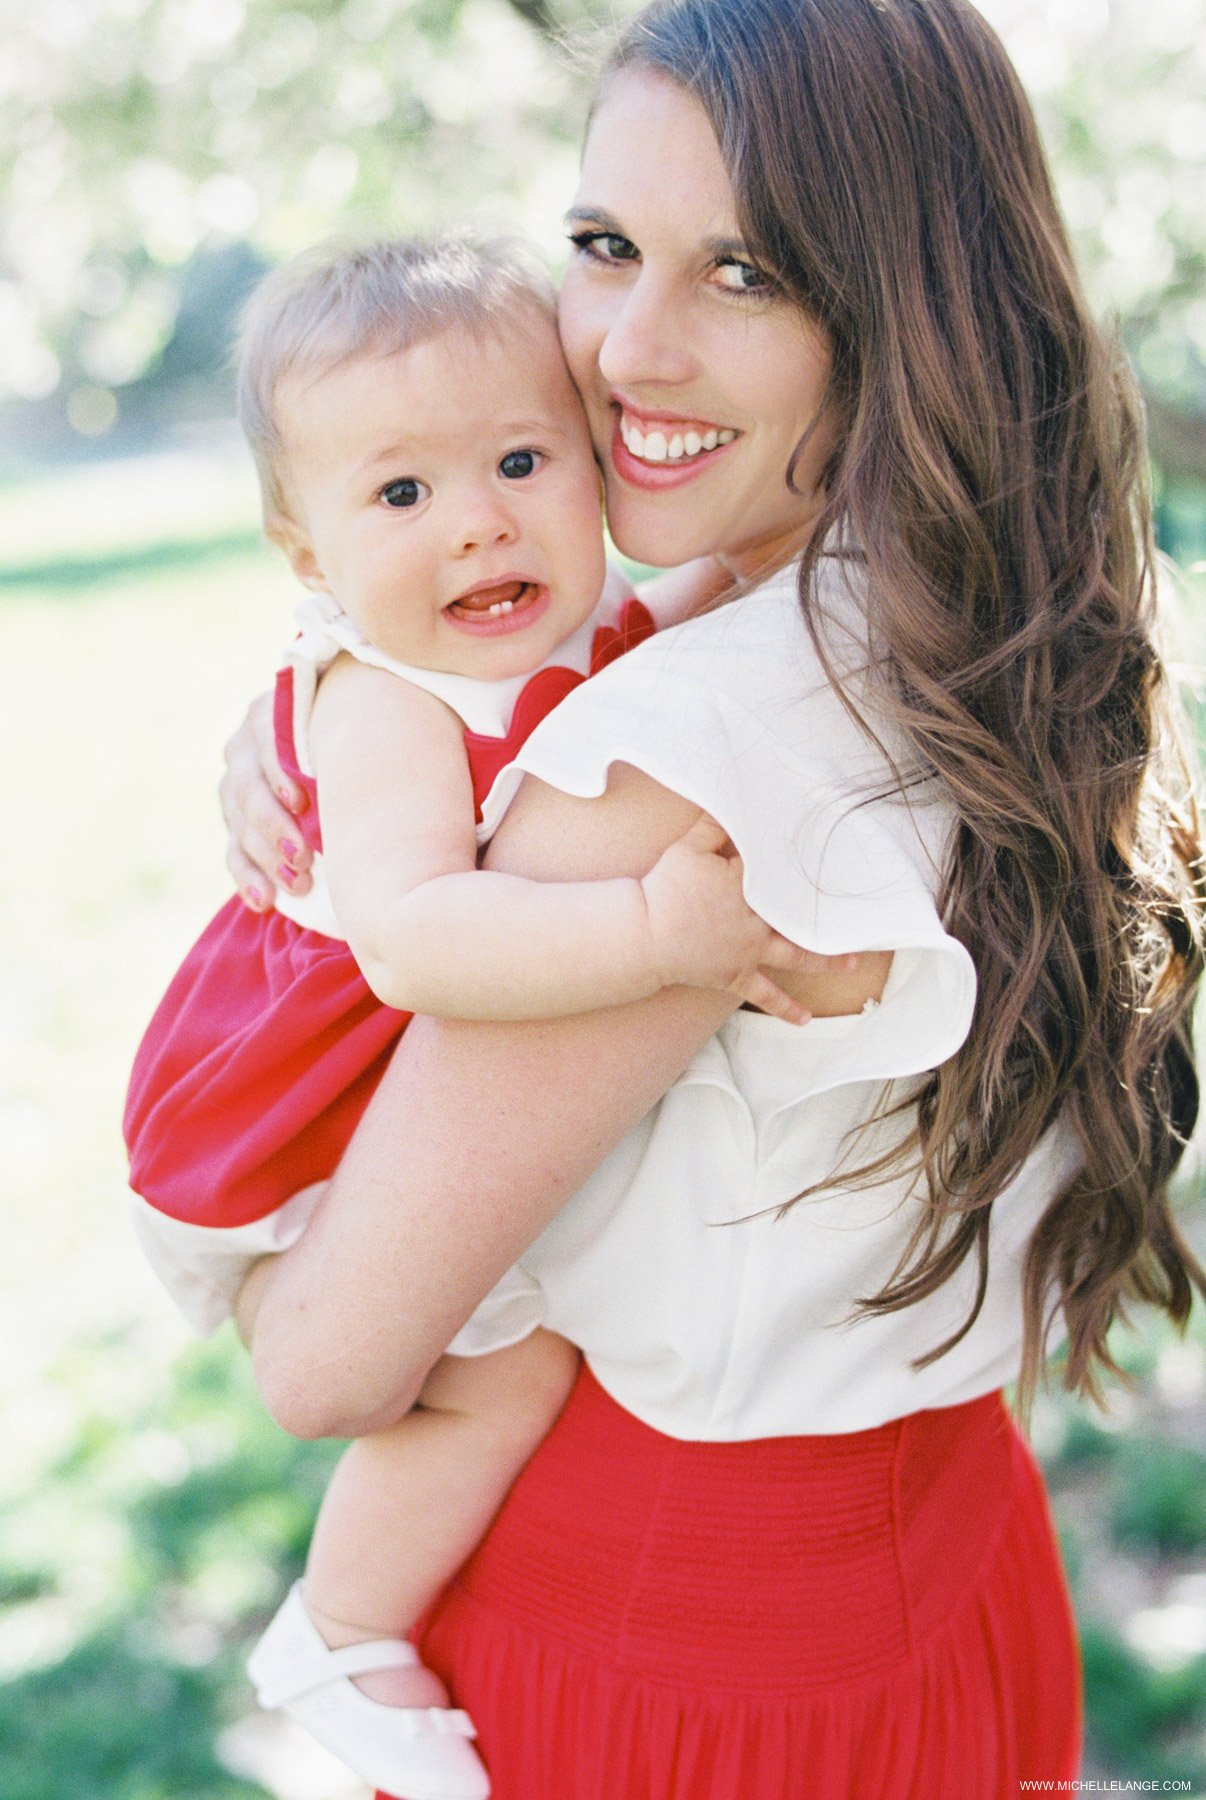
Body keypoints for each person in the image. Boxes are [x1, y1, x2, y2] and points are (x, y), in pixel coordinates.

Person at [219, 1, 1206, 1794]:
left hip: (664, 1651)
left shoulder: (678, 760)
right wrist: (322, 702)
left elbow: (327, 1365)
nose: (624, 351)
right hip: (955, 1574)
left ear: (904, 306)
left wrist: (241, 1248)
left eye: (743, 270)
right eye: (602, 247)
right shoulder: (1024, 630)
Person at [124, 235, 825, 1800]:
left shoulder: (595, 630)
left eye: (521, 460)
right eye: (401, 497)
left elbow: (724, 580)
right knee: (494, 1375)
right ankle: (342, 1624)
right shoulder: (387, 699)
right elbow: (421, 946)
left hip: (346, 1096)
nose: (480, 522)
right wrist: (654, 931)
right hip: (278, 1124)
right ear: (306, 557)